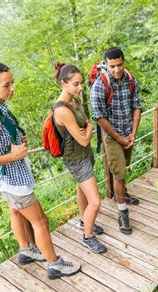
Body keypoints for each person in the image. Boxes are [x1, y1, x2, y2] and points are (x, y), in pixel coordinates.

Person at [0, 60, 80, 279]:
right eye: (6, 85)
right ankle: (54, 264)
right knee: (40, 221)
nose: (12, 89)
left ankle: (26, 250)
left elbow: (1, 137)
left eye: (12, 83)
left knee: (15, 211)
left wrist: (17, 138)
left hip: (7, 179)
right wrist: (14, 155)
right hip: (14, 179)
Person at [52, 63, 107, 254]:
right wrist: (90, 128)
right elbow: (84, 139)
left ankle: (85, 220)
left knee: (82, 191)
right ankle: (88, 236)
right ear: (63, 83)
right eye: (76, 84)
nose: (80, 88)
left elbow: (86, 125)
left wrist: (88, 128)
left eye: (81, 83)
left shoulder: (75, 101)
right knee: (96, 201)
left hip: (85, 154)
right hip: (76, 158)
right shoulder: (62, 110)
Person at [90, 47, 142, 235]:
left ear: (124, 62)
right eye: (112, 66)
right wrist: (119, 138)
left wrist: (133, 134)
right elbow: (99, 116)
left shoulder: (131, 80)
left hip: (128, 131)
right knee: (119, 173)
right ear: (106, 64)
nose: (116, 70)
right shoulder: (100, 85)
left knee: (122, 168)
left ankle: (121, 193)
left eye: (119, 65)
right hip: (112, 135)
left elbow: (137, 105)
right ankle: (122, 212)